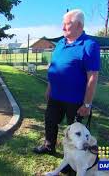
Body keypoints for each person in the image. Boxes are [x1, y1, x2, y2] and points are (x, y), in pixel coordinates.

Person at [33, 9, 100, 174]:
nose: (62, 27)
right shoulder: (61, 43)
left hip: (75, 100)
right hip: (55, 96)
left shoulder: (89, 45)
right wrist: (49, 87)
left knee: (75, 133)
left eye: (66, 24)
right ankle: (49, 146)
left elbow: (92, 77)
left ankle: (73, 162)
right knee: (50, 121)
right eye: (62, 23)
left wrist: (87, 103)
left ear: (78, 25)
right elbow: (54, 67)